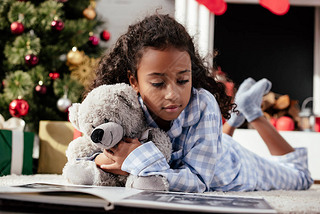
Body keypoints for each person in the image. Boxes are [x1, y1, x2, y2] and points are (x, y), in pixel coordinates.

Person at [90, 14, 313, 192]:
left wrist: (134, 161)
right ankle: (237, 117)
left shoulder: (203, 104)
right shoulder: (124, 105)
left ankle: (252, 112)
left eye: (183, 80)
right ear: (134, 81)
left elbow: (198, 180)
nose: (173, 95)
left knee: (300, 176)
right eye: (158, 83)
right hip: (212, 146)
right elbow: (91, 152)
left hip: (233, 165)